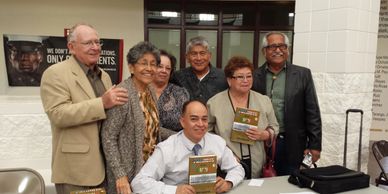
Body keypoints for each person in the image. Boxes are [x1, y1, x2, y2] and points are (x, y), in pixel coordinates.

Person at [40, 23, 129, 194]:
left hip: (106, 168)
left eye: (98, 42)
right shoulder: (55, 73)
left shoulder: (104, 76)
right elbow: (58, 115)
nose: (95, 48)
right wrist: (101, 103)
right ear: (71, 47)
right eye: (88, 43)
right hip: (77, 171)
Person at [101, 42, 175, 194]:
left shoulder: (150, 90)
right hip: (128, 173)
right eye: (144, 63)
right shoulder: (123, 93)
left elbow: (150, 128)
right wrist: (120, 175)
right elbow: (108, 137)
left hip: (150, 171)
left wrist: (181, 135)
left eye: (153, 64)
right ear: (131, 67)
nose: (149, 68)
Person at [131, 100, 245, 194]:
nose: (200, 124)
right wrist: (174, 190)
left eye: (204, 119)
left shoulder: (217, 142)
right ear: (183, 122)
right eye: (194, 119)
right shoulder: (167, 149)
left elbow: (237, 168)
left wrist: (228, 183)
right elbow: (138, 182)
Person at [252, 31, 322, 175]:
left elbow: (312, 112)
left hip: (292, 143)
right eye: (273, 46)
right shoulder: (254, 76)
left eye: (282, 46)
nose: (278, 50)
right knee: (262, 182)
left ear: (288, 50)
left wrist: (315, 145)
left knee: (290, 183)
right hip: (262, 142)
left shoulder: (302, 74)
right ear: (264, 51)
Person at [207, 56, 279, 178]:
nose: (246, 80)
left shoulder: (263, 100)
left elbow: (274, 127)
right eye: (240, 77)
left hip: (258, 162)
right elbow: (206, 134)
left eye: (249, 76)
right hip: (228, 163)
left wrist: (265, 135)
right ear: (229, 80)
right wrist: (224, 153)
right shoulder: (214, 103)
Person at [171, 36, 228, 103]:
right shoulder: (177, 77)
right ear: (187, 57)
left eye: (202, 53)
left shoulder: (223, 77)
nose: (199, 58)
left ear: (209, 56)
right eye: (194, 54)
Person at [151, 49, 190, 132]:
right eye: (160, 67)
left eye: (168, 68)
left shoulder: (180, 93)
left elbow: (186, 123)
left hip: (173, 143)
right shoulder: (139, 91)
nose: (164, 71)